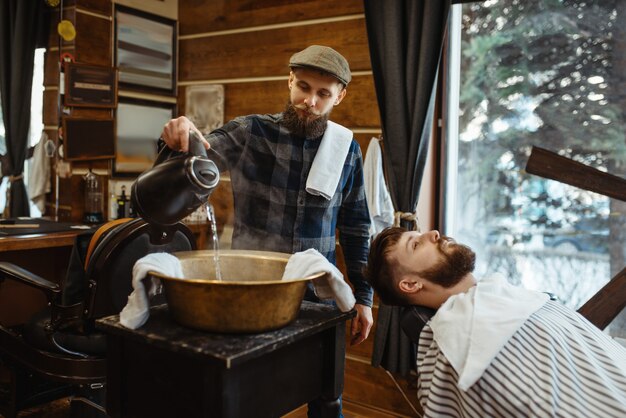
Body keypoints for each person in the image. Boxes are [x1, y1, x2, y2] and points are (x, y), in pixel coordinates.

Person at [160, 45, 374, 416]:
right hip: (254, 293)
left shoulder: (346, 149)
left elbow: (356, 226)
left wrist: (365, 297)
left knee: (327, 396)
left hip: (318, 293)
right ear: (289, 80)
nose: (310, 101)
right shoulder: (251, 131)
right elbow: (196, 160)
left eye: (323, 93)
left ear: (340, 95)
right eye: (303, 87)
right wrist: (178, 138)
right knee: (252, 395)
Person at [364, 227, 626, 417]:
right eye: (416, 244)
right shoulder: (460, 339)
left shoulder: (499, 296)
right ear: (411, 284)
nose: (433, 233)